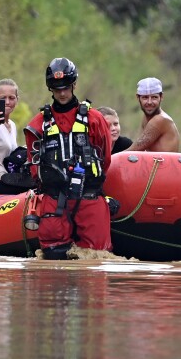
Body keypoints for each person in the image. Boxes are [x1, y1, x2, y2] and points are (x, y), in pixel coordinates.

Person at [24, 57, 113, 260]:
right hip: (54, 199)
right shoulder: (38, 125)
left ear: (74, 85)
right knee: (52, 259)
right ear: (50, 88)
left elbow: (105, 158)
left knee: (97, 259)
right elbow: (34, 165)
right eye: (56, 88)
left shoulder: (95, 119)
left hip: (89, 196)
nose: (62, 93)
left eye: (65, 87)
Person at [128, 77, 180, 152]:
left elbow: (134, 150)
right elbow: (138, 150)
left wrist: (111, 158)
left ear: (161, 97)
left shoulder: (160, 119)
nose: (149, 102)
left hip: (165, 163)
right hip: (153, 163)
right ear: (138, 97)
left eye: (154, 97)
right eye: (145, 97)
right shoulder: (146, 118)